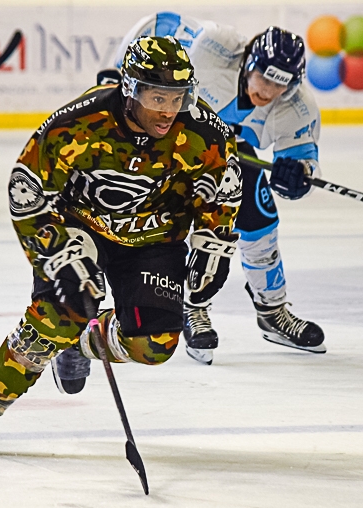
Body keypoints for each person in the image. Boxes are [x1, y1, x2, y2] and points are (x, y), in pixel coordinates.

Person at [0, 36, 242, 454]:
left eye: (178, 98)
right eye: (158, 97)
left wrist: (215, 242)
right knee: (57, 314)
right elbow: (27, 192)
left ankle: (84, 339)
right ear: (130, 89)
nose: (169, 110)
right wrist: (56, 256)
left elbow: (222, 189)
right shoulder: (78, 124)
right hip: (79, 228)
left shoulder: (203, 132)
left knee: (155, 346)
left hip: (153, 237)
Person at [112, 14, 326, 364]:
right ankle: (190, 306)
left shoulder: (298, 107)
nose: (268, 92)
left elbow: (305, 162)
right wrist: (118, 73)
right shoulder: (215, 47)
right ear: (249, 63)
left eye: (280, 87)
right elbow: (161, 24)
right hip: (173, 146)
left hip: (230, 156)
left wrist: (297, 175)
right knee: (171, 224)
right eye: (264, 79)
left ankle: (272, 312)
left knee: (259, 215)